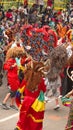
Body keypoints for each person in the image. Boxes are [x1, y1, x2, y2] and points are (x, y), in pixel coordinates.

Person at [14, 60, 48, 130]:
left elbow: (18, 93)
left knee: (24, 119)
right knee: (35, 122)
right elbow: (44, 90)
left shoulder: (26, 79)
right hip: (36, 104)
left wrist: (19, 103)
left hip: (26, 102)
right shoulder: (41, 80)